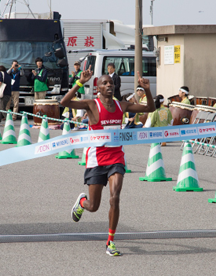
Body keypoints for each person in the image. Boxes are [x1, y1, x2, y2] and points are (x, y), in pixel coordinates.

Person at [61, 69, 156, 256]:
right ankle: (81, 202)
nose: (109, 86)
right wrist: (80, 83)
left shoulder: (121, 105)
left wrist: (147, 91)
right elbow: (63, 102)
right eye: (104, 84)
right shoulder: (92, 104)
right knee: (93, 206)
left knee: (115, 197)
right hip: (96, 159)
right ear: (98, 88)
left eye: (111, 84)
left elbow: (149, 109)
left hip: (116, 158)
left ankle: (110, 241)